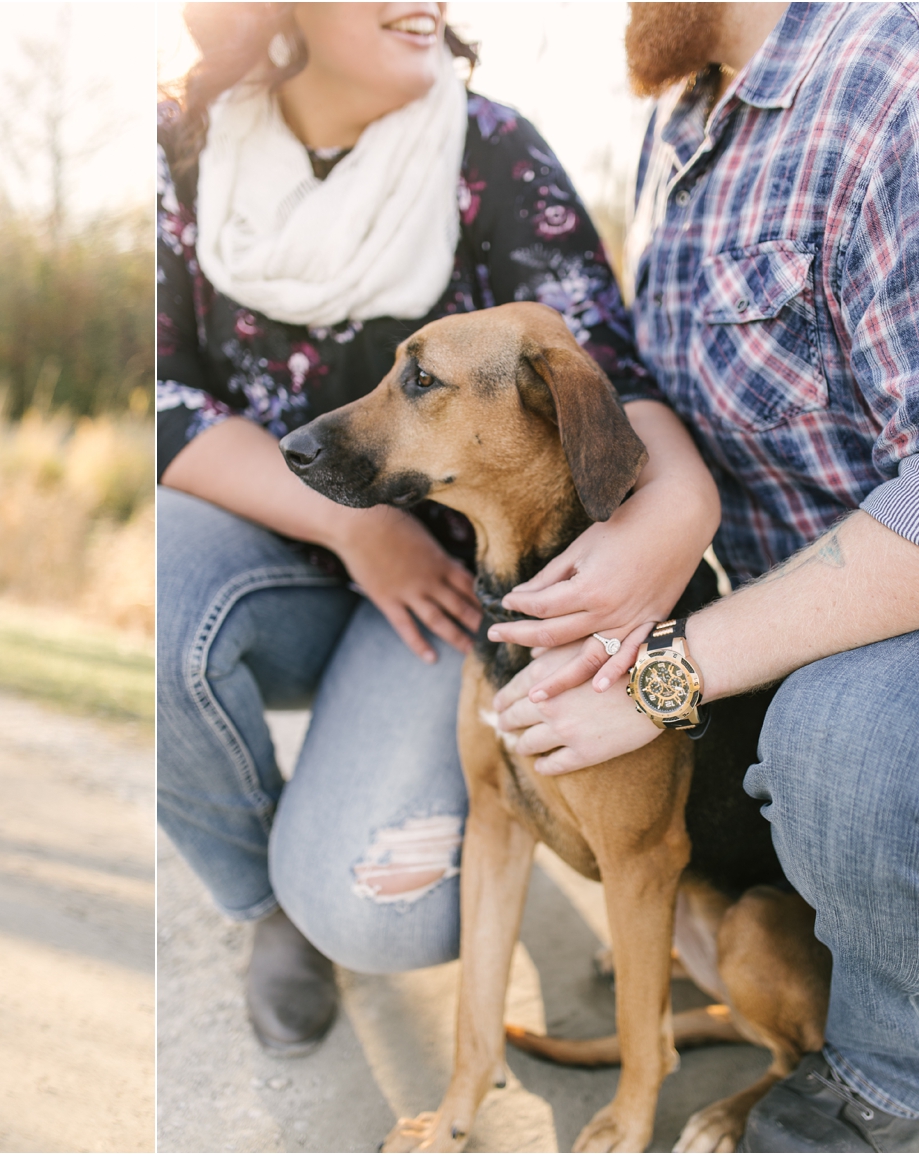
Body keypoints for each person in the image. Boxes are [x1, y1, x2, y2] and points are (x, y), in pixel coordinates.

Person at [155, 2, 718, 1058]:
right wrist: (357, 528)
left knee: (376, 911)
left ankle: (380, 830)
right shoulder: (178, 147)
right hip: (269, 546)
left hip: (457, 578)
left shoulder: (491, 150)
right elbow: (156, 397)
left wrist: (684, 508)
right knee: (159, 587)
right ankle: (258, 904)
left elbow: (604, 367)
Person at [494, 4, 919, 1149]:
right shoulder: (683, 108)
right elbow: (652, 375)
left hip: (887, 640)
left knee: (834, 734)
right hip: (802, 612)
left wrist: (659, 679)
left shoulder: (895, 81)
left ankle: (887, 1086)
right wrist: (672, 502)